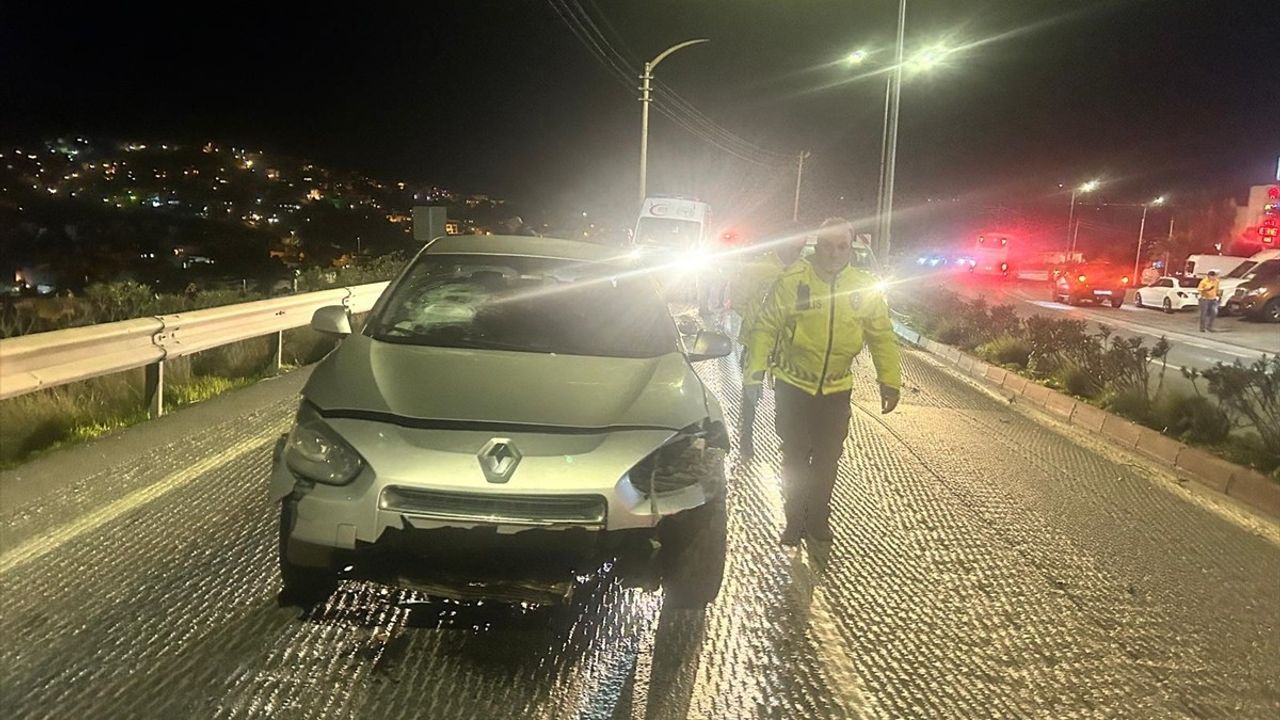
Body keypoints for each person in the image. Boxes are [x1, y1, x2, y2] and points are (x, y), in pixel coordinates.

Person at [743, 218, 902, 545]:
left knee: (828, 459)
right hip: (793, 385)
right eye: (828, 245)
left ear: (851, 247)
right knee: (796, 456)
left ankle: (818, 520)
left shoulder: (862, 286)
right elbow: (766, 327)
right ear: (817, 246)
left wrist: (890, 381)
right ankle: (793, 519)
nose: (834, 253)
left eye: (842, 246)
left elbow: (882, 337)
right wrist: (755, 373)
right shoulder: (793, 281)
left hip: (836, 389)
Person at [728, 222, 807, 458]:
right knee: (752, 388)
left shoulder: (804, 270)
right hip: (756, 342)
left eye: (799, 247)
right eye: (792, 245)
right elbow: (739, 297)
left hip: (789, 346)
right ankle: (746, 436)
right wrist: (756, 322)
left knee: (788, 394)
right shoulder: (759, 266)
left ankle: (789, 440)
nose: (795, 251)